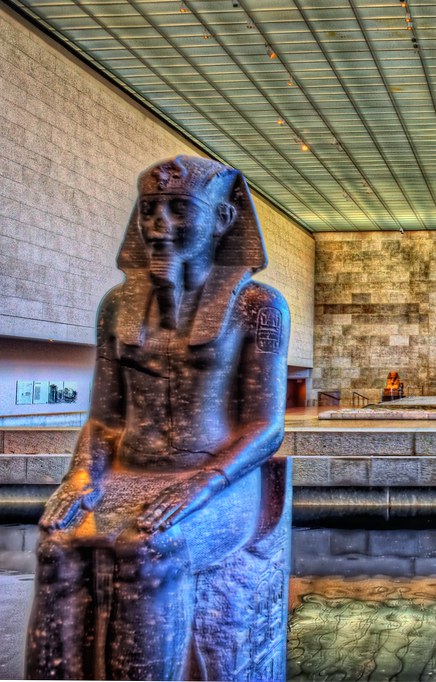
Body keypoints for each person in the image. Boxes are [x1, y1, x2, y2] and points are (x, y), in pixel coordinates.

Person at [25, 155, 290, 679]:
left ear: (222, 220)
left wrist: (197, 486)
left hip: (219, 479)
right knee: (57, 548)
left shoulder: (257, 305)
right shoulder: (115, 307)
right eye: (149, 211)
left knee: (147, 550)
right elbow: (104, 418)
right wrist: (81, 476)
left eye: (178, 210)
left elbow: (266, 426)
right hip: (128, 473)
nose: (157, 227)